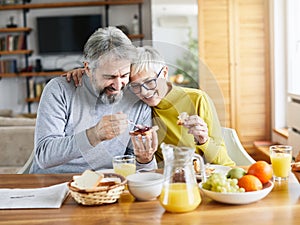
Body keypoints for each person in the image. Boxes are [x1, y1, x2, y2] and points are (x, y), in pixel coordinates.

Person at [66, 46, 235, 167]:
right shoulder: (136, 104)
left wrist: (204, 140)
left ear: (165, 73)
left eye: (150, 82)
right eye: (136, 86)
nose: (145, 92)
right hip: (162, 182)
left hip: (199, 179)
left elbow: (224, 161)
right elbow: (108, 79)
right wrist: (86, 74)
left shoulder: (197, 99)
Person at [30, 27, 157, 174]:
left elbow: (142, 172)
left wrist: (145, 160)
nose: (117, 86)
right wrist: (94, 135)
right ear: (88, 69)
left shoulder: (137, 98)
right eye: (109, 77)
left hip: (107, 187)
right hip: (53, 183)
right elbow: (44, 156)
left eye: (124, 75)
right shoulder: (59, 90)